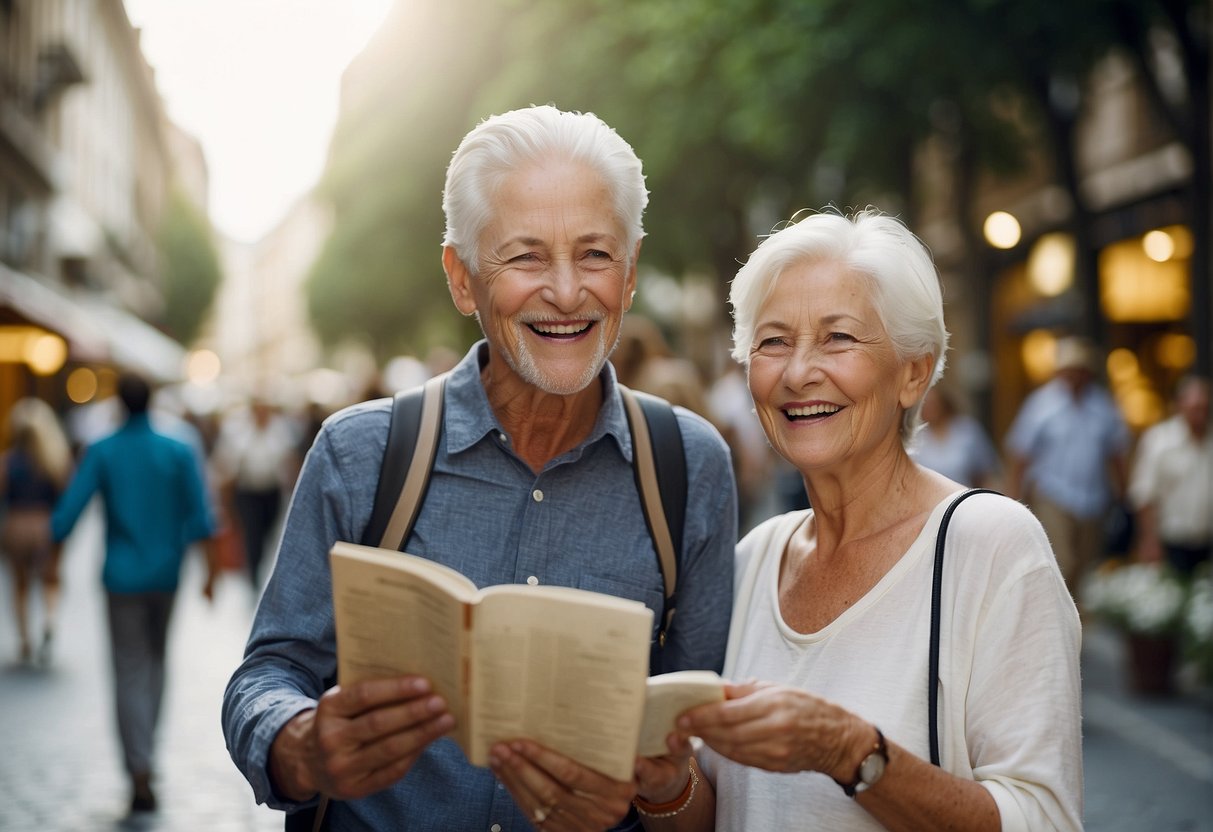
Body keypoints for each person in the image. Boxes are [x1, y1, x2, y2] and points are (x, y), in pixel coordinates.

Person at [222, 104, 737, 831]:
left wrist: (656, 790)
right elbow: (268, 673)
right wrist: (299, 745)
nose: (565, 291)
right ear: (462, 280)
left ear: (629, 274)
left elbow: (700, 766)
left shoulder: (689, 467)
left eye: (594, 254)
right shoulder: (359, 452)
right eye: (525, 256)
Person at [631, 210, 1082, 831]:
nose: (796, 373)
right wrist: (665, 786)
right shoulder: (752, 560)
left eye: (838, 338)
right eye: (773, 341)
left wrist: (850, 752)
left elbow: (1044, 820)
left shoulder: (992, 547)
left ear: (914, 372)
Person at [51, 372, 219, 814]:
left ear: (119, 404)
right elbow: (202, 515)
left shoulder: (103, 449)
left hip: (121, 577)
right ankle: (148, 751)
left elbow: (68, 512)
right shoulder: (179, 447)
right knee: (158, 662)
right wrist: (211, 573)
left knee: (128, 669)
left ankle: (138, 766)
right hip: (166, 574)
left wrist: (52, 562)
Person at [1005, 335, 1131, 604]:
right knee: (1063, 558)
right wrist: (1014, 497)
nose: (1074, 376)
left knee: (1087, 563)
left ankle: (1080, 616)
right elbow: (1021, 453)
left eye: (1079, 370)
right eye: (1069, 370)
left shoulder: (1102, 405)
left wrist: (1124, 493)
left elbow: (1116, 451)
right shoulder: (1041, 404)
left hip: (1093, 497)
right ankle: (1056, 610)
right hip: (1054, 494)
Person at [0, 397, 72, 665]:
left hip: (17, 524)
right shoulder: (54, 460)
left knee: (19, 584)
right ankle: (49, 620)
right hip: (45, 524)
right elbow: (66, 497)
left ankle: (24, 639)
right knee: (51, 579)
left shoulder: (8, 462)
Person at [211, 397, 300, 588]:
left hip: (271, 491)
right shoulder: (237, 430)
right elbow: (225, 462)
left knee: (268, 531)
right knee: (252, 533)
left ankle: (260, 566)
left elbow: (289, 459)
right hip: (247, 491)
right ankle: (253, 573)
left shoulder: (279, 429)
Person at [1129, 375, 1212, 578]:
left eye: (1203, 408)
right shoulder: (1160, 440)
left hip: (1207, 542)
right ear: (1179, 405)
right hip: (1170, 542)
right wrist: (1149, 541)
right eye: (1194, 408)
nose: (1199, 414)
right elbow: (1143, 495)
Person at [910, 385, 1000, 488]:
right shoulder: (914, 437)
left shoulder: (966, 429)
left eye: (933, 404)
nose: (930, 410)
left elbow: (985, 471)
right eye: (925, 405)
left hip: (966, 498)